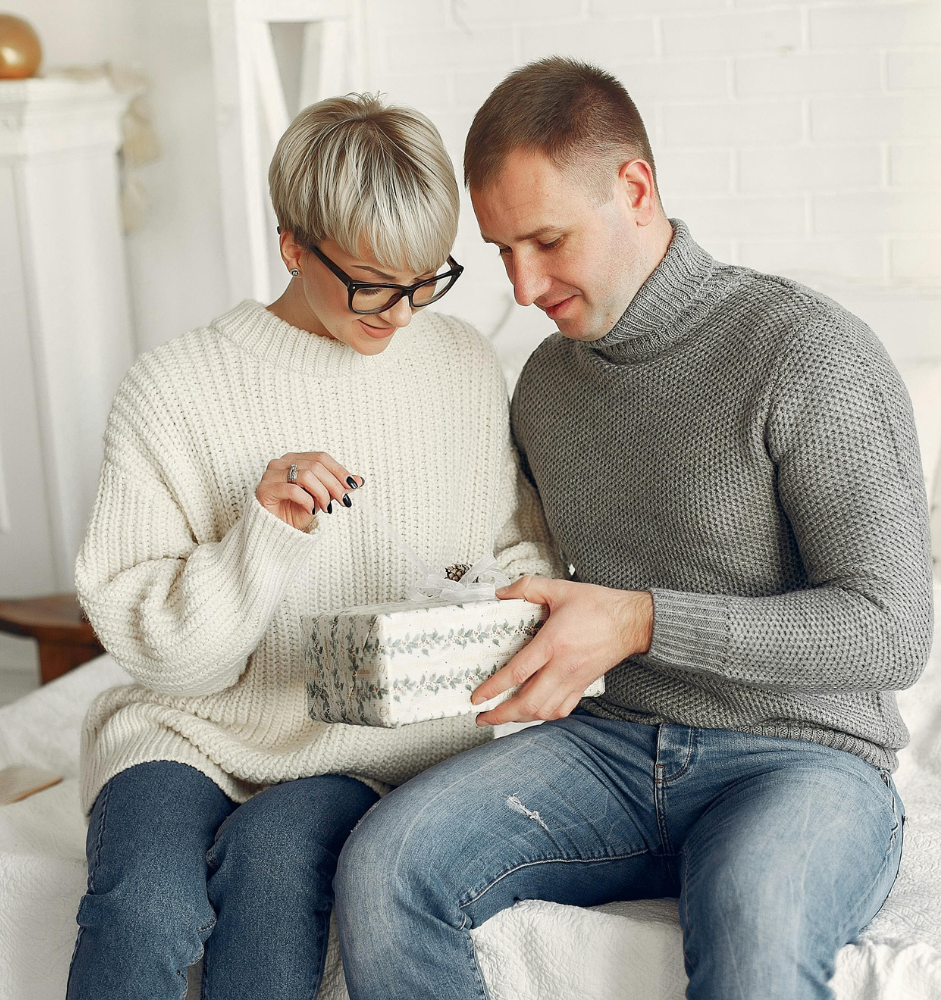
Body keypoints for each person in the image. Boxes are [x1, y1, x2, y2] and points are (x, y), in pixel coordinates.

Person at [334, 57, 934, 1000]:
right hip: (605, 750)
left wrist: (643, 620)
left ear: (636, 189)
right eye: (501, 251)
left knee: (756, 918)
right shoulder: (545, 386)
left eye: (546, 240)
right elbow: (532, 573)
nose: (524, 287)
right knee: (383, 868)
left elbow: (894, 632)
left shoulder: (806, 351)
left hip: (801, 757)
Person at [65, 93, 558, 1000]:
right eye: (374, 283)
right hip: (187, 729)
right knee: (145, 908)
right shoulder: (172, 388)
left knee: (270, 876)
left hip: (356, 750)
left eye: (426, 280)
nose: (401, 314)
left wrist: (492, 609)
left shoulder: (462, 364)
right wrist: (264, 534)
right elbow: (163, 658)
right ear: (292, 243)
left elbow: (515, 548)